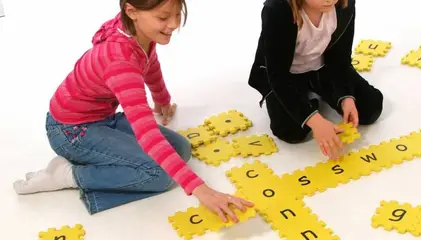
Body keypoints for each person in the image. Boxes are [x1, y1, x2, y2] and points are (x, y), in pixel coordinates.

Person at [12, 0, 253, 222]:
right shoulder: (119, 60)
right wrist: (202, 190)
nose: (174, 24)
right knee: (159, 176)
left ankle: (94, 162)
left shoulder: (135, 30)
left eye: (178, 14)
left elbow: (149, 64)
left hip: (101, 118)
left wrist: (162, 101)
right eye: (163, 17)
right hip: (71, 131)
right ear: (131, 11)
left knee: (182, 149)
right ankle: (66, 175)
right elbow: (147, 133)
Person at [248, 0, 384, 160]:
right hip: (286, 76)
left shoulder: (344, 4)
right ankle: (309, 101)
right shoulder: (278, 10)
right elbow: (278, 76)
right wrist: (314, 119)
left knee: (371, 107)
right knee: (291, 131)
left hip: (323, 69)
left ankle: (316, 91)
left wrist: (346, 96)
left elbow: (341, 59)